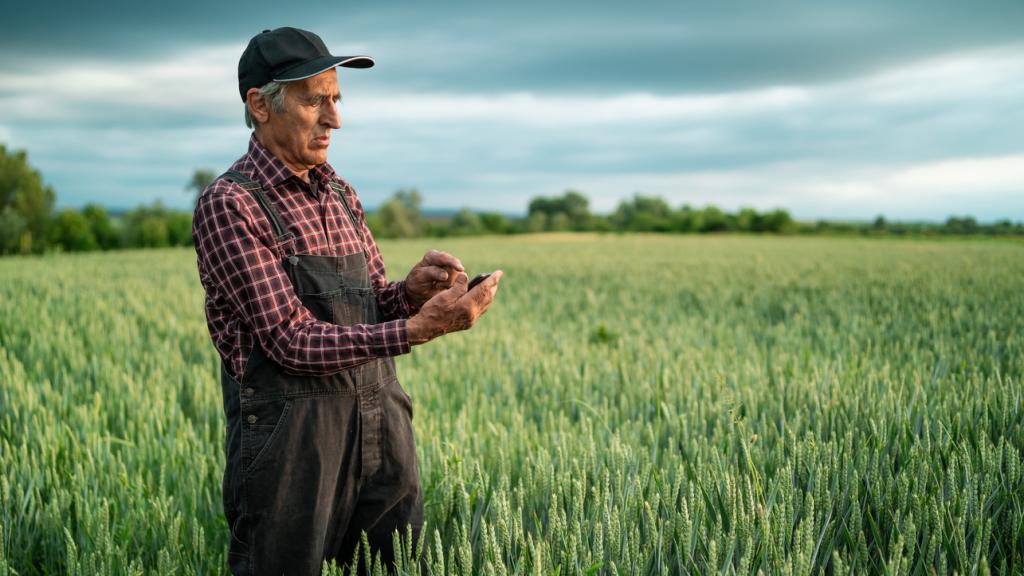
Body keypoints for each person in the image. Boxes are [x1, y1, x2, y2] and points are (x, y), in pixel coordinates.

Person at [191, 27, 503, 576]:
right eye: (315, 100)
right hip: (291, 449)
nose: (335, 119)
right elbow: (288, 340)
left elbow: (370, 304)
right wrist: (416, 330)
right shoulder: (230, 205)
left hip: (382, 425)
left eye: (336, 98)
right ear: (260, 105)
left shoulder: (340, 193)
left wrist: (409, 295)